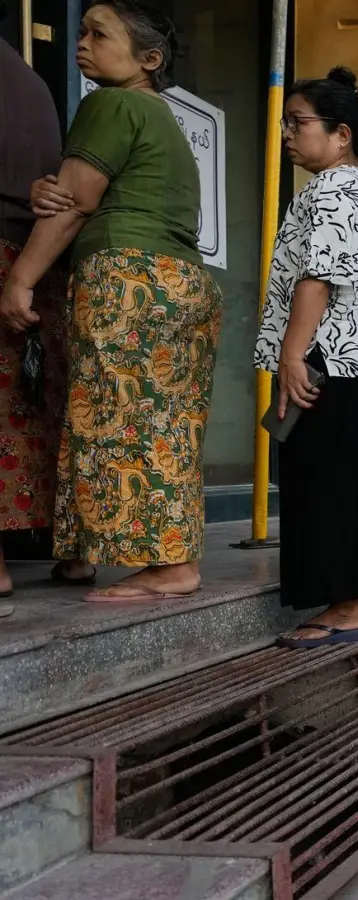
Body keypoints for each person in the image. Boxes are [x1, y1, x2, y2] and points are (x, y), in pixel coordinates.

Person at [8, 1, 220, 600]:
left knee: (122, 422)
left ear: (148, 59)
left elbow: (76, 202)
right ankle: (82, 554)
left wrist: (20, 278)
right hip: (183, 284)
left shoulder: (111, 104)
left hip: (129, 278)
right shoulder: (161, 119)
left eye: (99, 35)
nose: (82, 43)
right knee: (152, 423)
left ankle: (172, 567)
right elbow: (79, 191)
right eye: (81, 32)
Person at [259, 69, 358, 646]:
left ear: (341, 134)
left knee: (323, 482)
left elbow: (318, 277)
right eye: (285, 122)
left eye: (299, 122)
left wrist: (292, 355)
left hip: (324, 361)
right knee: (353, 483)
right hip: (353, 365)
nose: (287, 133)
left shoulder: (333, 189)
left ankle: (345, 607)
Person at [0, 37, 75, 597]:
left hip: (10, 262)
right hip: (40, 259)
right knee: (38, 407)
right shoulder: (31, 81)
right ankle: (72, 552)